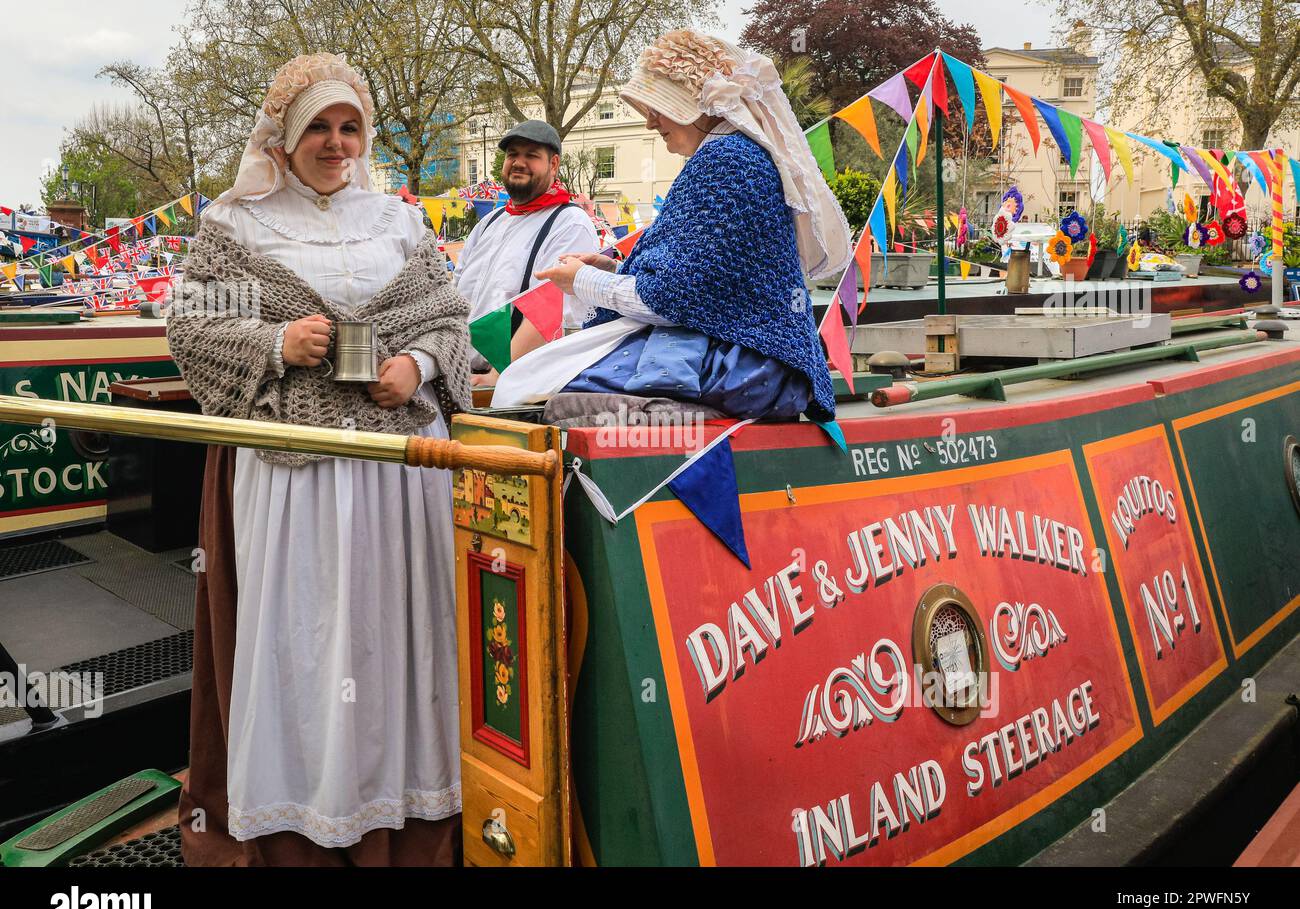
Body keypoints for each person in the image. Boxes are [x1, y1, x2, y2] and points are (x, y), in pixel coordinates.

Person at [167, 52, 472, 866]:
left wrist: (420, 368)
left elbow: (449, 320)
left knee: (401, 631)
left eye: (349, 128)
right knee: (309, 637)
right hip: (295, 473)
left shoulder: (401, 221)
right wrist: (276, 341)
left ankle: (409, 804)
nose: (336, 145)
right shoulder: (235, 224)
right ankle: (307, 812)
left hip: (401, 470)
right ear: (284, 136)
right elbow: (191, 331)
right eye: (319, 129)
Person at [490, 30, 851, 423]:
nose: (649, 123)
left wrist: (582, 282)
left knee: (520, 389)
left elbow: (672, 299)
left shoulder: (726, 161)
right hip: (759, 361)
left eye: (657, 108)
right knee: (529, 383)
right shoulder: (738, 157)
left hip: (739, 363)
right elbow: (712, 283)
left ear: (692, 104)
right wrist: (611, 270)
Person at [453, 120, 598, 384]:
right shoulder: (490, 222)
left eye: (531, 155)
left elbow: (552, 307)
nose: (519, 163)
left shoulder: (569, 223)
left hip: (511, 383)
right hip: (458, 374)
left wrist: (496, 378)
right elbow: (454, 290)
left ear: (553, 165)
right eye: (513, 155)